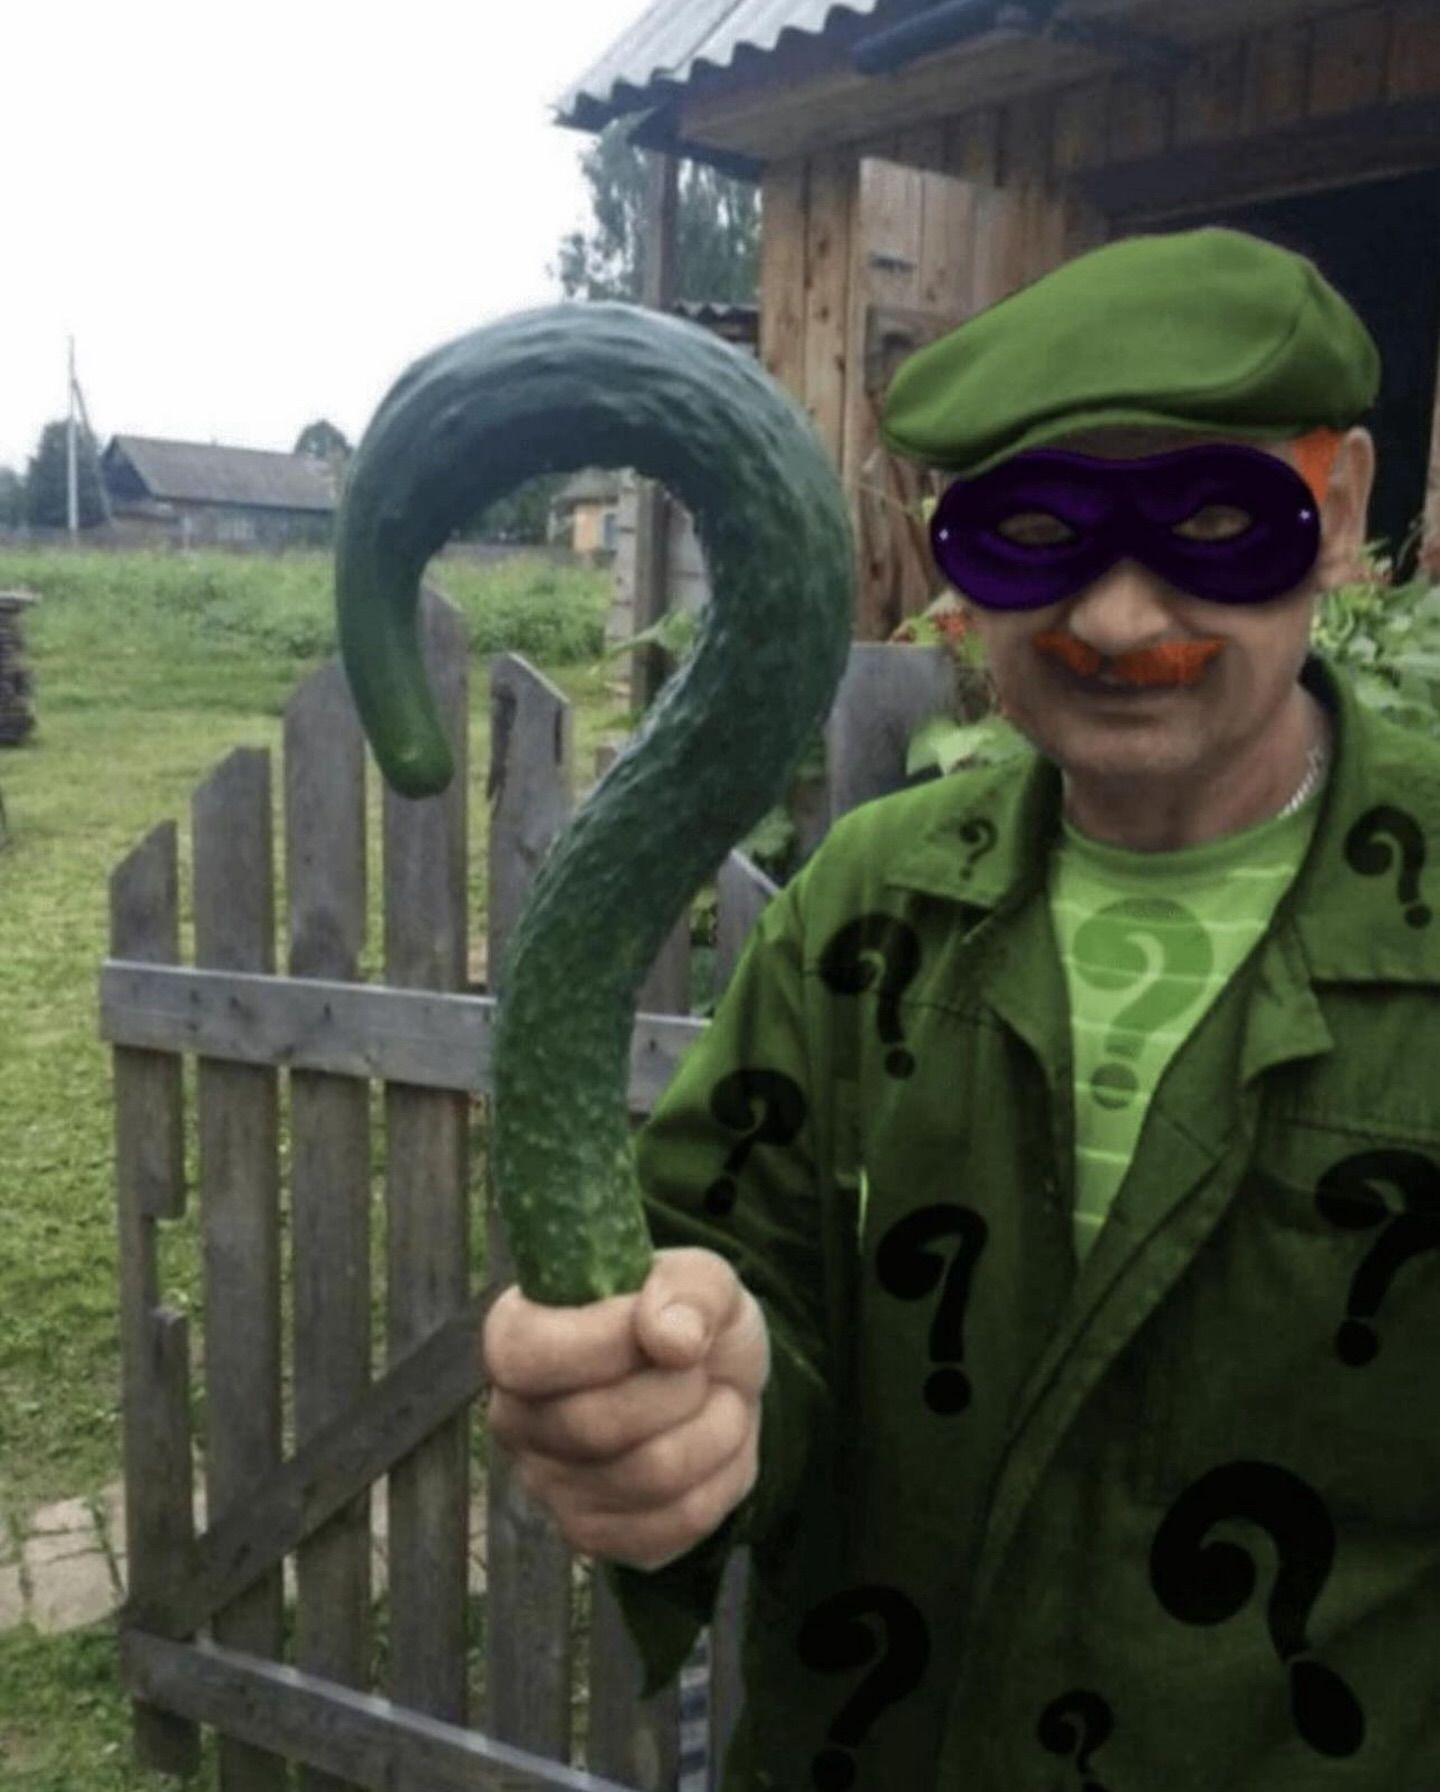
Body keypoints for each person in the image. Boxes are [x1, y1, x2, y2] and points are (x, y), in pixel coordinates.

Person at [484, 227, 1440, 1789]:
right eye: (1036, 532)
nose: (1117, 619)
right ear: (951, 556)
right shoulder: (863, 912)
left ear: (1337, 514)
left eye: (1215, 521)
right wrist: (691, 1393)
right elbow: (735, 1288)